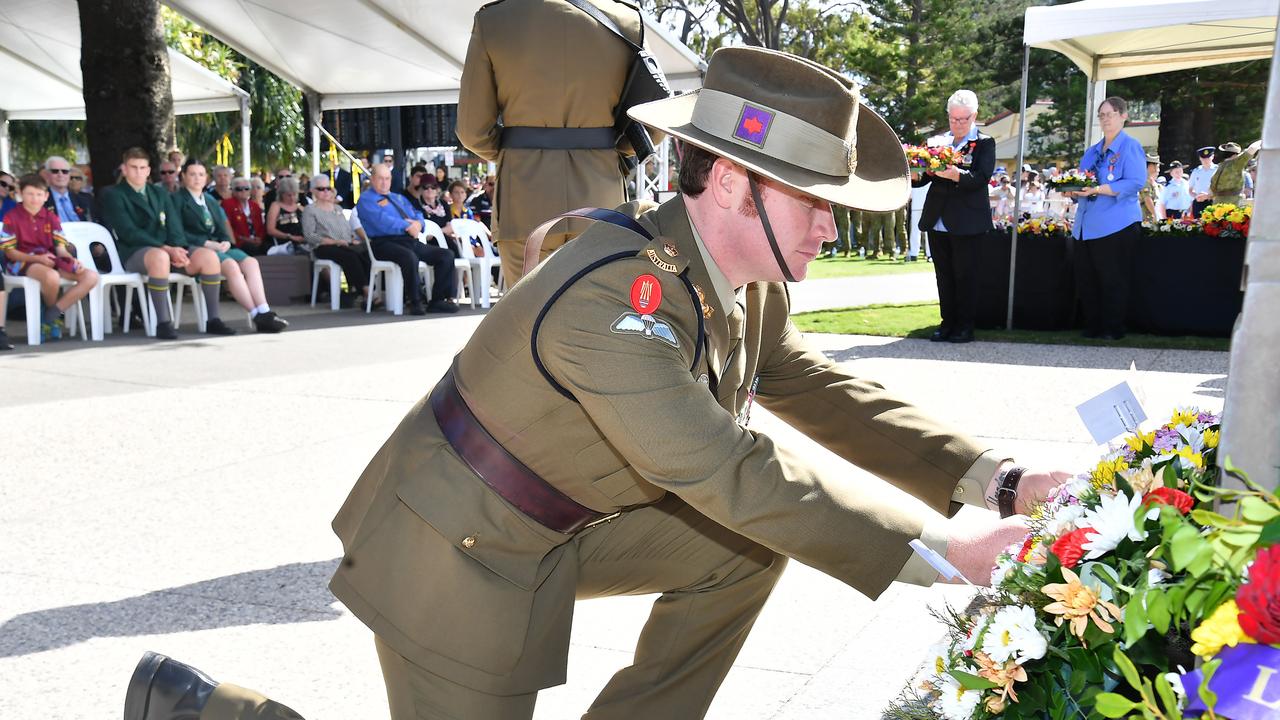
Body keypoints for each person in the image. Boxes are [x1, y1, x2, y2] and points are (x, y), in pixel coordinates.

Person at [125, 45, 1068, 720]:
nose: (832, 228)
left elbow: (814, 388)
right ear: (737, 186)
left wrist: (997, 480)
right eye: (816, 204)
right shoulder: (615, 295)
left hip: (559, 525)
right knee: (747, 514)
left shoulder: (730, 276)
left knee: (739, 550)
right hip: (457, 545)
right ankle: (209, 709)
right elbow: (732, 471)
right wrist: (951, 554)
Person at [457, 0, 653, 287]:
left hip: (524, 199)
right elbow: (650, 127)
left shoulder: (494, 20)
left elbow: (472, 130)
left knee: (526, 322)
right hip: (602, 199)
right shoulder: (627, 21)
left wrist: (518, 151)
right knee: (600, 318)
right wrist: (607, 149)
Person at [99, 147, 231, 341]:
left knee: (208, 257)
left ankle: (213, 319)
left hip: (167, 249)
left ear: (148, 170)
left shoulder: (159, 193)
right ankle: (163, 323)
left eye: (142, 167)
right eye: (133, 167)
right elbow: (129, 232)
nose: (138, 171)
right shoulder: (114, 194)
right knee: (159, 257)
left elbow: (174, 226)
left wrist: (180, 248)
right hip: (134, 250)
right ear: (124, 169)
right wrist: (167, 249)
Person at [912, 89, 996, 344]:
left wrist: (957, 175)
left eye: (963, 119)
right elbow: (924, 177)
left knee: (965, 276)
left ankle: (965, 325)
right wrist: (914, 172)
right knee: (944, 275)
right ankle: (946, 323)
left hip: (968, 221)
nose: (957, 124)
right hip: (938, 219)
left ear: (974, 116)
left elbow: (982, 178)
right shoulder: (938, 142)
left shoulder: (984, 143)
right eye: (953, 119)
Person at [170, 158, 288, 334]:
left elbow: (222, 226)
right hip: (195, 249)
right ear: (184, 176)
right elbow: (176, 231)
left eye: (201, 174)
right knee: (232, 266)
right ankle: (257, 315)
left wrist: (225, 240)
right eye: (192, 174)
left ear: (206, 177)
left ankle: (265, 310)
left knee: (251, 263)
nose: (197, 178)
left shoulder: (209, 200)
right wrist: (205, 243)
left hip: (217, 246)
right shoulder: (176, 200)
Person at [1068, 96, 1145, 341]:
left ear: (1123, 116)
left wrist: (1098, 190)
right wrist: (1072, 190)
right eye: (1101, 115)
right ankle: (1093, 325)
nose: (1105, 119)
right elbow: (1082, 182)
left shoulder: (1130, 146)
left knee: (1112, 279)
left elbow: (1135, 182)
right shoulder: (1092, 151)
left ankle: (1112, 328)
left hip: (1115, 224)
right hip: (1086, 226)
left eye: (1109, 114)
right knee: (1087, 279)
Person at [0, 174, 99, 340]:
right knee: (51, 277)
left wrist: (71, 259)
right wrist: (38, 259)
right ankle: (50, 319)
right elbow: (10, 252)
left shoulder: (51, 217)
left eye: (39, 194)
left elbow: (60, 249)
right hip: (21, 262)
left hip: (50, 260)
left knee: (91, 276)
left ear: (46, 196)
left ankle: (50, 314)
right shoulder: (12, 217)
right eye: (30, 194)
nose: (34, 199)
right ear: (20, 194)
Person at [356, 164, 459, 315]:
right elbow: (382, 222)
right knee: (409, 257)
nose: (384, 182)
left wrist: (418, 224)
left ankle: (437, 300)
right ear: (372, 179)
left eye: (387, 179)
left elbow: (416, 213)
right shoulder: (366, 199)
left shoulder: (397, 197)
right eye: (380, 179)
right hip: (383, 243)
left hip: (408, 240)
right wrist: (407, 226)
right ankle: (415, 300)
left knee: (446, 255)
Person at [302, 174, 373, 307]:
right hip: (323, 246)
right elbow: (309, 235)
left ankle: (360, 292)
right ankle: (366, 293)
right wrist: (334, 242)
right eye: (321, 189)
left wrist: (352, 239)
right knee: (350, 257)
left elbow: (347, 229)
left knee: (365, 253)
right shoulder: (310, 210)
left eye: (328, 188)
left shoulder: (338, 209)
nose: (326, 192)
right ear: (313, 191)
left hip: (345, 244)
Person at [221, 177, 267, 255]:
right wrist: (246, 239)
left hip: (256, 241)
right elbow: (228, 228)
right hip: (239, 242)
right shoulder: (227, 204)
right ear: (233, 191)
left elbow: (261, 227)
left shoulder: (255, 206)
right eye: (239, 189)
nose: (243, 191)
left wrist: (259, 238)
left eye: (246, 188)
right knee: (251, 248)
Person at [42, 156, 94, 222]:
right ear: (47, 175)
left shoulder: (85, 200)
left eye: (65, 171)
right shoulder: (40, 201)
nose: (60, 175)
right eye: (55, 171)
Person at [1209, 140, 1261, 205]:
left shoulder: (1220, 166)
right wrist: (1262, 140)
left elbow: (1211, 190)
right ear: (1235, 155)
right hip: (1233, 204)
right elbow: (1252, 148)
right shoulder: (1236, 164)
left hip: (1217, 205)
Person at [265, 177, 306, 253]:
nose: (292, 198)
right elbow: (270, 230)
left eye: (294, 194)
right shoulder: (276, 206)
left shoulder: (300, 208)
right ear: (281, 194)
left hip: (301, 241)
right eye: (288, 195)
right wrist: (290, 237)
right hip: (283, 243)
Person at [1188, 146, 1217, 218]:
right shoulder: (1196, 171)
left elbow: (1221, 189)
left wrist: (1208, 196)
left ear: (1212, 157)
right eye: (1203, 158)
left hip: (1213, 201)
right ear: (1200, 158)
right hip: (1198, 202)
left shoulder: (1217, 170)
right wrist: (1196, 196)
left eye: (1208, 158)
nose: (1205, 160)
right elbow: (1190, 189)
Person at [1138, 153, 1162, 224]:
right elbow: (1147, 199)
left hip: (1151, 216)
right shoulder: (1144, 181)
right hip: (1147, 218)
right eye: (1156, 167)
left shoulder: (1151, 182)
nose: (1157, 170)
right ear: (1148, 167)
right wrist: (1155, 214)